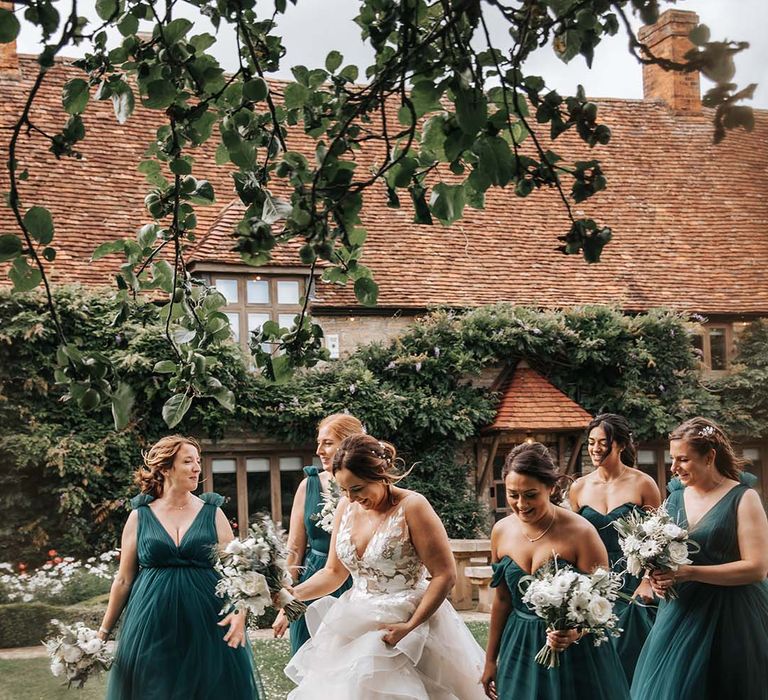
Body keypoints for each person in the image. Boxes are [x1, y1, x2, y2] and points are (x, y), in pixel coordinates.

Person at [284, 433, 486, 699]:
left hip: (407, 624)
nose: (351, 497)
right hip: (354, 620)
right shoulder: (345, 507)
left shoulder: (413, 506)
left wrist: (411, 626)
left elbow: (444, 575)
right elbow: (333, 573)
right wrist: (292, 593)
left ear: (380, 474)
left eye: (357, 488)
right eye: (344, 489)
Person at [99, 435, 263, 699]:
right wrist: (103, 633)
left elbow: (239, 571)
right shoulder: (139, 515)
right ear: (165, 468)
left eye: (198, 461)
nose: (197, 468)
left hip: (207, 620)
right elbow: (123, 580)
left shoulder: (213, 512)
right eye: (188, 462)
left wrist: (241, 612)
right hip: (150, 622)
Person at [631, 417, 768, 700]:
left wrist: (690, 573)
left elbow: (757, 569)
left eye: (683, 459)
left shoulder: (743, 498)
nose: (673, 467)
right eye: (672, 459)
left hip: (732, 617)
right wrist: (656, 579)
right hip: (681, 614)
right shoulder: (674, 499)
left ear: (710, 457)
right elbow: (663, 556)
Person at [483, 442, 630, 700]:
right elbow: (503, 600)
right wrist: (490, 660)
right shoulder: (501, 531)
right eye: (512, 494)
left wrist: (576, 632)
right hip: (519, 644)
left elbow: (603, 601)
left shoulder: (581, 532)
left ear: (551, 488)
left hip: (574, 652)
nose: (520, 504)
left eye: (530, 495)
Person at [569, 414, 661, 683]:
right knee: (595, 658)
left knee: (634, 657)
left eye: (603, 442)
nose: (595, 448)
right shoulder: (579, 487)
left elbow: (659, 538)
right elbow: (572, 539)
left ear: (620, 444)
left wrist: (646, 581)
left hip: (634, 583)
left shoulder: (643, 484)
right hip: (593, 580)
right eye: (591, 442)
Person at [272, 413, 362, 654]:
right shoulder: (308, 485)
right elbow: (294, 550)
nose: (319, 450)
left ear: (347, 444)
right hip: (313, 580)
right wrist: (288, 603)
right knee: (309, 659)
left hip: (358, 582)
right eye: (319, 442)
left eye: (328, 443)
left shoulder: (369, 490)